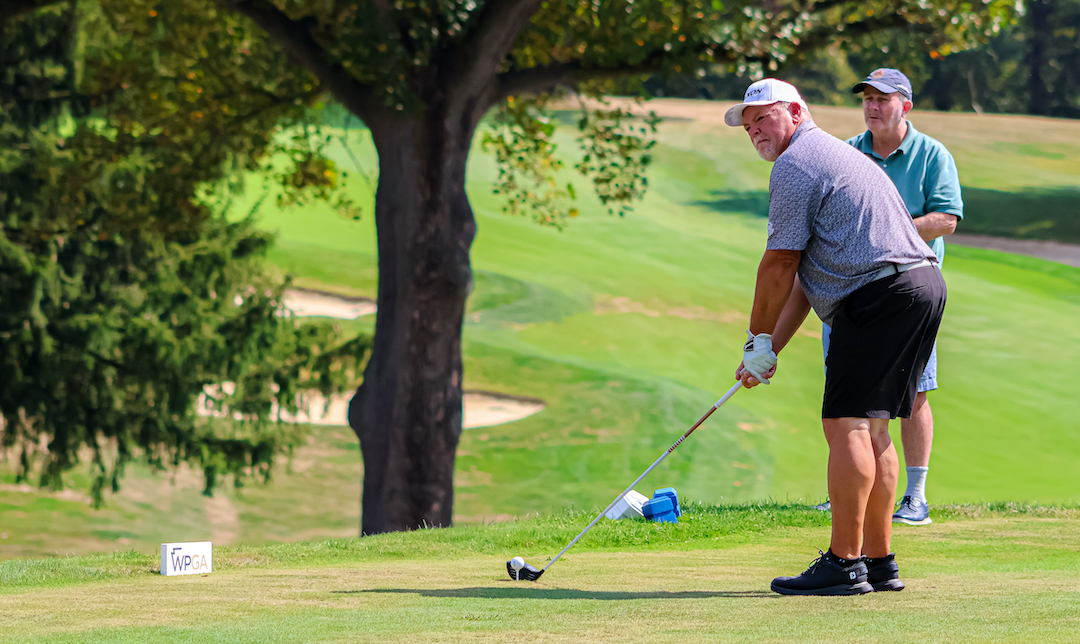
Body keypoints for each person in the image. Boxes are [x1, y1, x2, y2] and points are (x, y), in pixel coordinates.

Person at [724, 78, 946, 595]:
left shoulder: (797, 164)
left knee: (845, 424)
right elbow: (804, 277)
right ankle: (878, 560)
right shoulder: (830, 156)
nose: (755, 129)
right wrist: (766, 350)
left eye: (765, 116)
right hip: (917, 288)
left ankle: (844, 564)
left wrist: (755, 337)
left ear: (797, 112)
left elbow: (778, 263)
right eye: (749, 124)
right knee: (874, 429)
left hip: (879, 296)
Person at [815, 69, 964, 525]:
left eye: (883, 98)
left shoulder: (931, 154)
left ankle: (915, 497)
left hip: (906, 293)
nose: (873, 106)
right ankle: (848, 489)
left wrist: (888, 229)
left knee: (914, 392)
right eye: (867, 98)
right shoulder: (845, 152)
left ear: (906, 106)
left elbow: (947, 218)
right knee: (847, 395)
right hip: (850, 290)